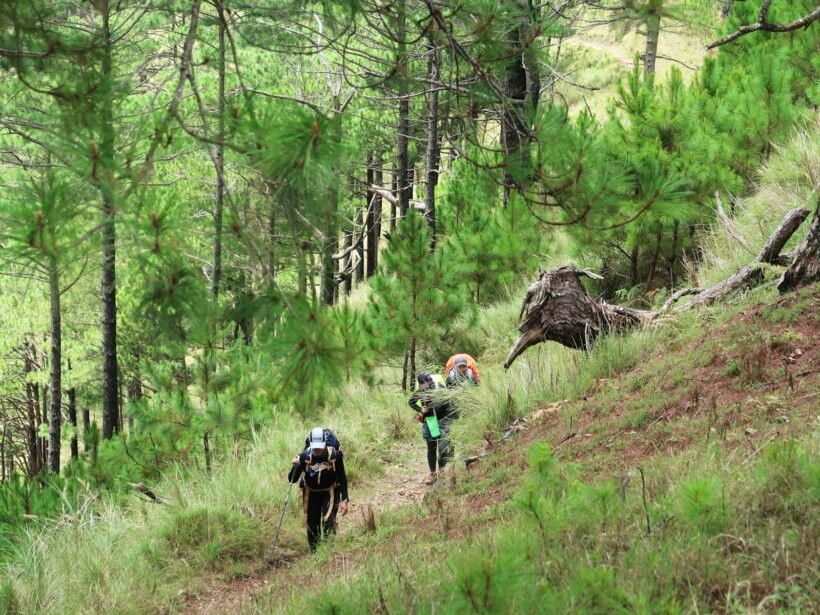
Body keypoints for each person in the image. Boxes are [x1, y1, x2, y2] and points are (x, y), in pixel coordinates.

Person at [288, 427, 349, 552]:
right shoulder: (305, 456)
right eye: (315, 446)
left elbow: (342, 477)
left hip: (330, 492)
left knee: (328, 522)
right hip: (311, 493)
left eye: (320, 446)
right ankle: (314, 554)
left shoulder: (334, 456)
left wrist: (345, 500)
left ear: (325, 443)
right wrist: (296, 466)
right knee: (312, 525)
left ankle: (328, 553)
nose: (317, 449)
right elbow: (292, 479)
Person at [408, 371, 457, 485]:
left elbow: (451, 402)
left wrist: (453, 418)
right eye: (423, 385)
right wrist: (421, 410)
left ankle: (442, 471)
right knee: (431, 447)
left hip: (444, 420)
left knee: (443, 447)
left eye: (427, 383)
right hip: (431, 421)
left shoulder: (440, 388)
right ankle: (432, 473)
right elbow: (411, 402)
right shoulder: (421, 392)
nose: (426, 386)